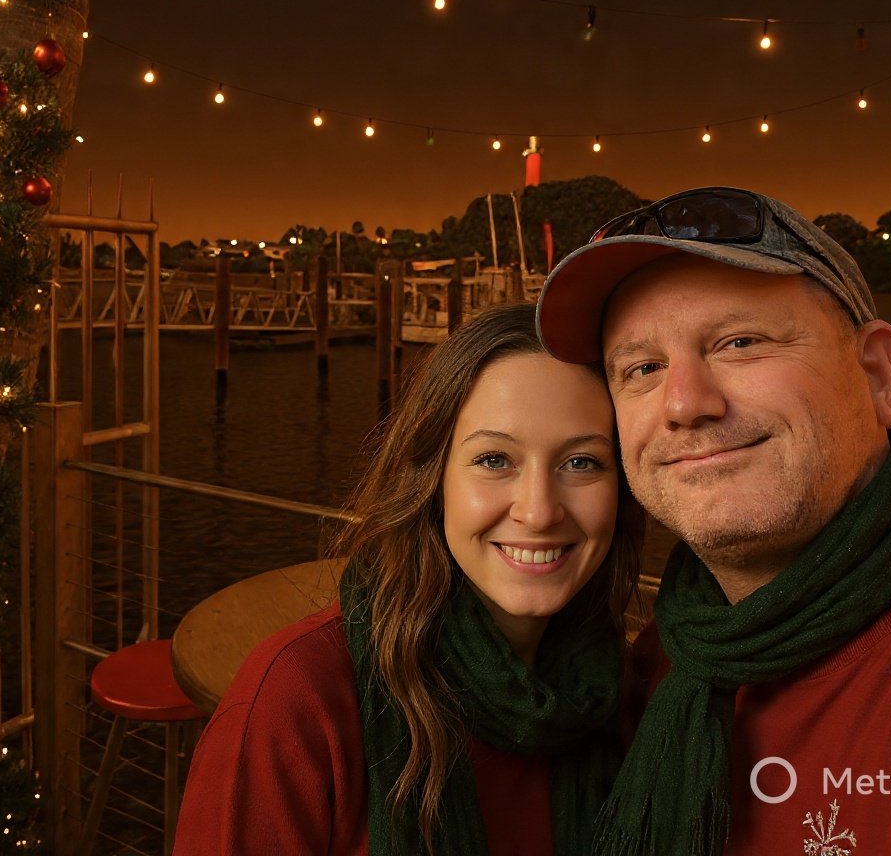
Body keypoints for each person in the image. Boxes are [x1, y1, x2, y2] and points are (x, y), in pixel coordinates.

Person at [536, 186, 891, 855]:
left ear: (878, 376)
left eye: (739, 342)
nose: (685, 404)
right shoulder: (665, 663)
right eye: (642, 367)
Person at [173, 302, 643, 856]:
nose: (539, 511)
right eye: (494, 460)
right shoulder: (299, 699)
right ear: (432, 481)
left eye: (581, 463)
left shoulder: (618, 687)